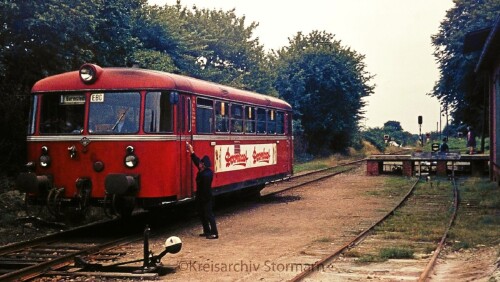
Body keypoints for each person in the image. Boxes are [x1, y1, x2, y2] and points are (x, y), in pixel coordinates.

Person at [186, 142, 219, 239]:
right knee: (202, 214)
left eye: (201, 163)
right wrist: (191, 151)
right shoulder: (203, 171)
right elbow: (196, 160)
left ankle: (214, 232)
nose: (199, 163)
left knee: (209, 215)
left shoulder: (206, 174)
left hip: (206, 197)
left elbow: (204, 188)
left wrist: (201, 199)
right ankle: (207, 231)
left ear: (203, 165)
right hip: (201, 197)